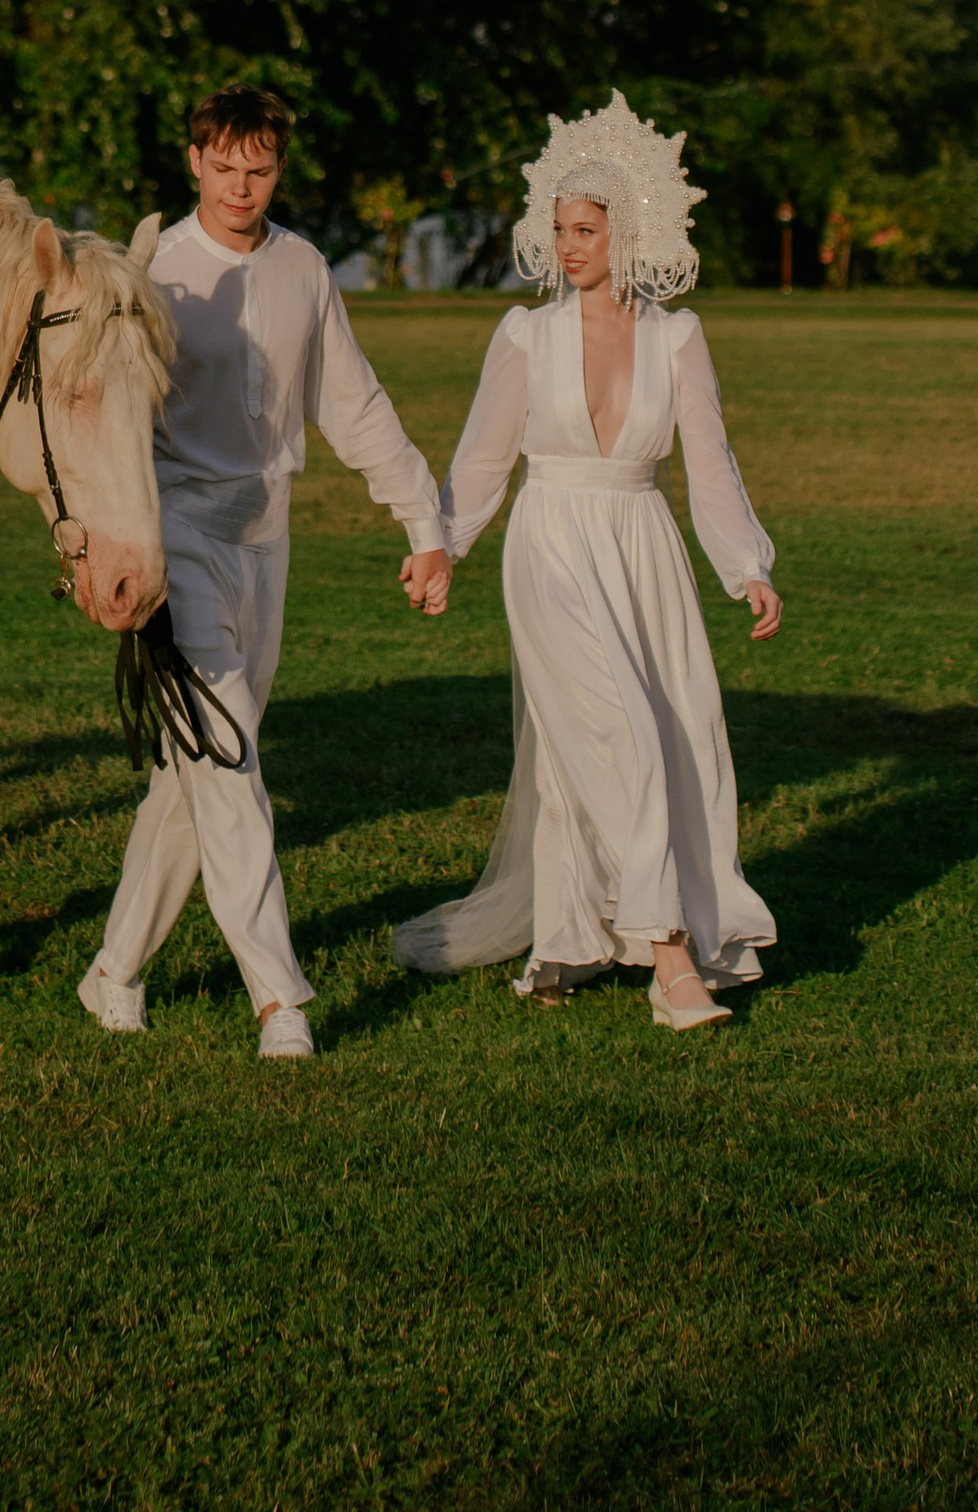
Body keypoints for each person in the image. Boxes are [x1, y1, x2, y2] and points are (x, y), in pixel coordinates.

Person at [76, 84, 453, 1059]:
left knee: (191, 775)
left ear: (277, 168)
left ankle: (113, 971)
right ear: (193, 159)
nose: (241, 185)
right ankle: (279, 1000)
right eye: (224, 166)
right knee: (230, 757)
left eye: (260, 169)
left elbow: (353, 402)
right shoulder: (150, 270)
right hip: (175, 541)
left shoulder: (303, 268)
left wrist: (422, 520)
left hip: (266, 546)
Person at [391, 92, 781, 1029]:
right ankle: (670, 958)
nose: (568, 246)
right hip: (553, 541)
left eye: (587, 229)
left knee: (671, 741)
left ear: (631, 231)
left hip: (644, 549)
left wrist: (746, 566)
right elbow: (484, 457)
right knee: (619, 735)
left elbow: (711, 462)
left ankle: (568, 933)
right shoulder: (526, 334)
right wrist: (440, 546)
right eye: (559, 228)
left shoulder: (678, 337)